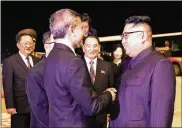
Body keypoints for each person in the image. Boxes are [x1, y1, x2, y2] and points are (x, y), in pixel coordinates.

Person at [43, 8, 116, 128]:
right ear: (72, 29)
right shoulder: (73, 62)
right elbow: (91, 107)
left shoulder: (51, 56)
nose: (85, 33)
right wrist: (109, 94)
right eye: (81, 28)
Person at [110, 16, 176, 127]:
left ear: (142, 36)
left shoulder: (160, 65)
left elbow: (160, 120)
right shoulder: (126, 64)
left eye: (126, 35)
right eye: (122, 36)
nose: (123, 41)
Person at [2, 28, 40, 128]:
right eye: (25, 43)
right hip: (19, 107)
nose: (29, 46)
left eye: (31, 43)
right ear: (18, 45)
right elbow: (8, 85)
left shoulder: (38, 61)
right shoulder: (10, 61)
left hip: (37, 106)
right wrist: (10, 105)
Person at [82, 36, 114, 128]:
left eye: (95, 46)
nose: (92, 49)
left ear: (99, 48)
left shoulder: (107, 66)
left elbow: (111, 90)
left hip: (101, 119)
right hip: (81, 118)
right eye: (89, 46)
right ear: (83, 48)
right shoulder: (76, 64)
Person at [25, 31, 55, 128]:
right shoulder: (35, 73)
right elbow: (40, 108)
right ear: (47, 46)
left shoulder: (66, 67)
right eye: (57, 45)